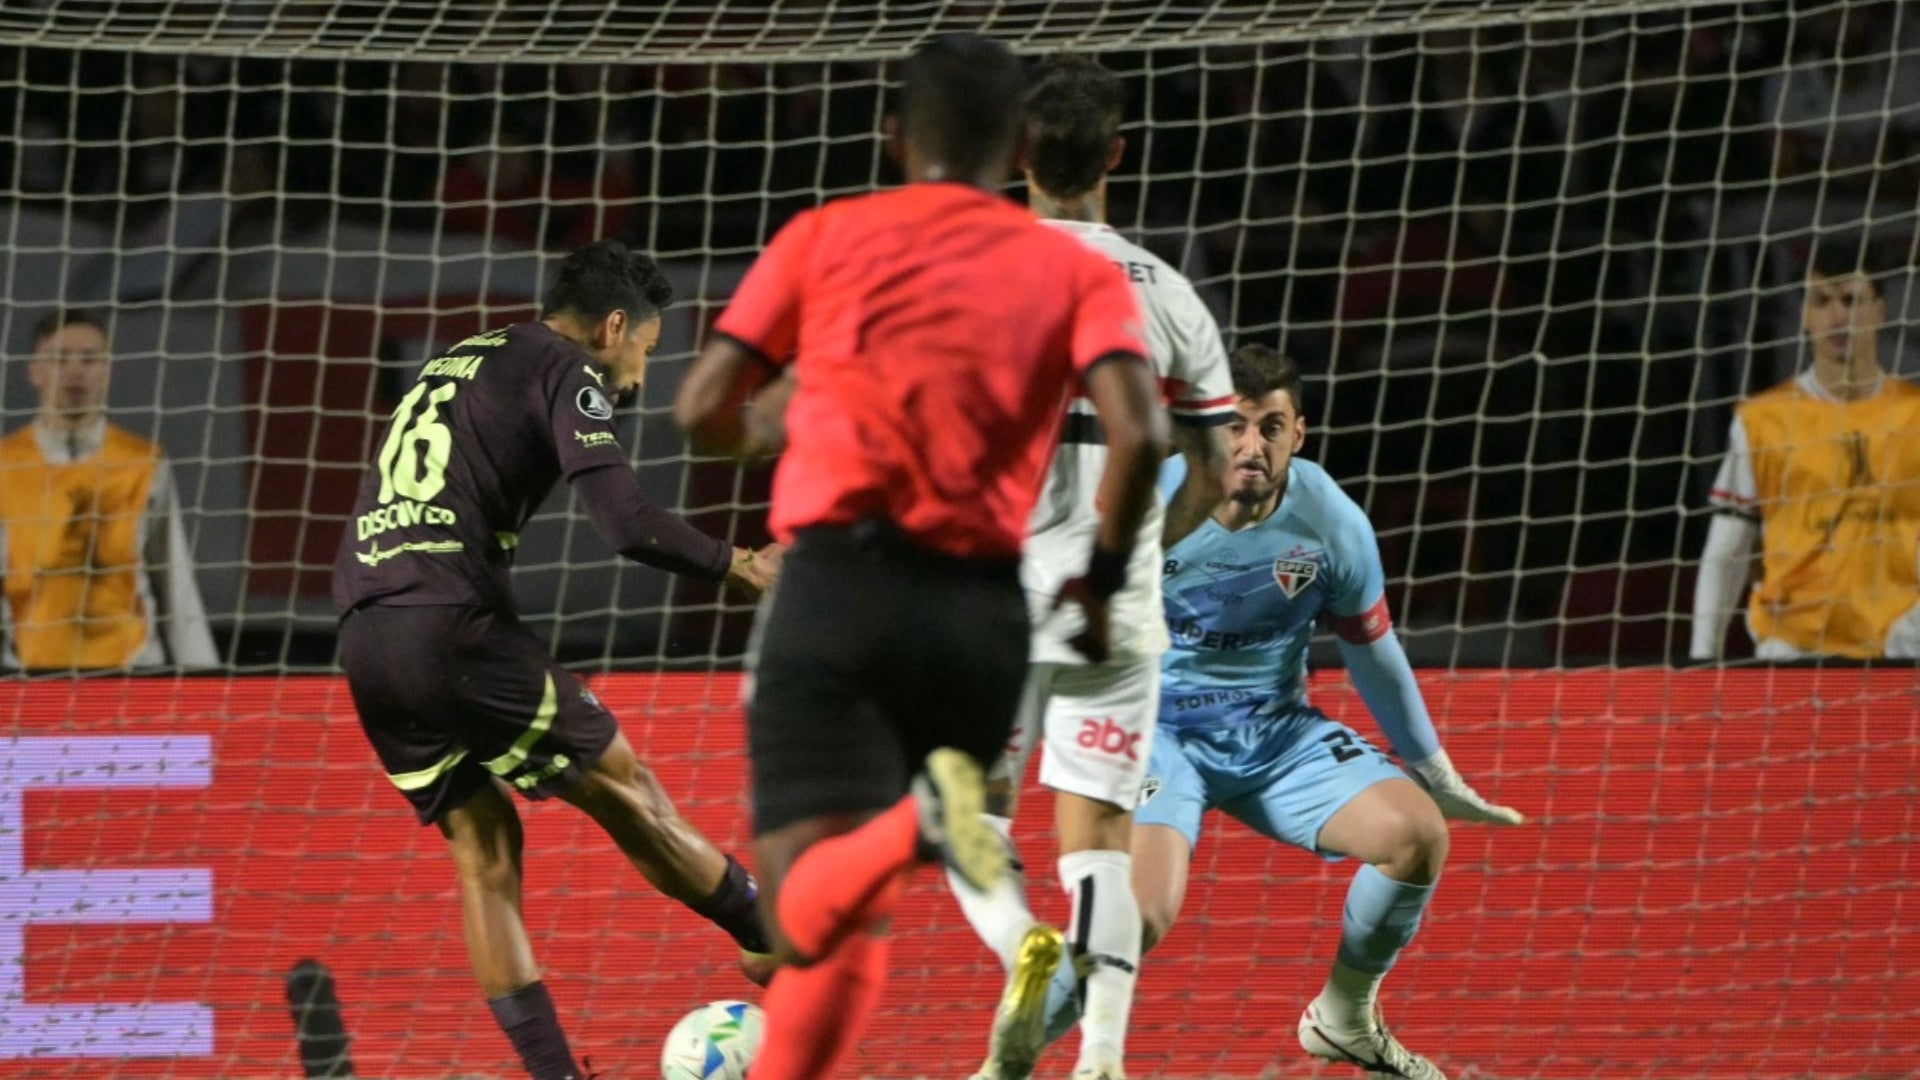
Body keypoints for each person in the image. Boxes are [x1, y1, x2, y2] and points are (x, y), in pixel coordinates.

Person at [672, 33, 1169, 1080]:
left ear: (895, 136)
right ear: (1021, 146)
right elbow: (1142, 433)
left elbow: (701, 408)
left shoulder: (827, 235)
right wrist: (1100, 580)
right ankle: (925, 821)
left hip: (840, 588)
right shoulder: (1070, 269)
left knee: (801, 911)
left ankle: (915, 824)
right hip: (983, 614)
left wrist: (771, 422)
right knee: (860, 921)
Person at [331, 240, 782, 1080]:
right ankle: (772, 942)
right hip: (450, 624)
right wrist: (739, 565)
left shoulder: (464, 356)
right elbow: (627, 525)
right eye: (644, 348)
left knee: (484, 850)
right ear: (613, 327)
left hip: (364, 633)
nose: (637, 377)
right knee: (626, 788)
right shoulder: (566, 368)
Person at [1040, 344, 1526, 1080]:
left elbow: (1373, 651)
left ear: (1298, 433)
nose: (1252, 446)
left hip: (1272, 731)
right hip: (1155, 733)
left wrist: (1435, 772)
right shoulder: (1151, 502)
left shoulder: (1330, 522)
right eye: (1235, 426)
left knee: (1416, 835)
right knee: (1137, 917)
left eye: (1271, 427)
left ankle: (1344, 1017)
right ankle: (1003, 1064)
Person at [946, 55, 1235, 1080]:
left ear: (1018, 154)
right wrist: (1144, 545)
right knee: (1100, 837)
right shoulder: (1170, 293)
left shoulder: (968, 274)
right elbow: (1216, 468)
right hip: (1113, 603)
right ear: (1116, 154)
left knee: (962, 809)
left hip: (987, 595)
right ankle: (1103, 1053)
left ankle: (1017, 941)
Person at [1691, 234, 1920, 660]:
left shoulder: (1915, 416)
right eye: (1822, 301)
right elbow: (1728, 547)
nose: (1838, 317)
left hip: (1896, 652)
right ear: (1805, 315)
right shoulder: (1763, 420)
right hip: (1791, 651)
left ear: (1879, 310)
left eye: (1851, 300)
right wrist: (1702, 658)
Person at [0, 308, 218, 671]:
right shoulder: (7, 463)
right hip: (30, 671)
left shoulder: (141, 461)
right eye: (60, 358)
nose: (75, 371)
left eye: (89, 359)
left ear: (107, 370)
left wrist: (203, 676)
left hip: (132, 668)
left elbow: (175, 578)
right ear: (35, 370)